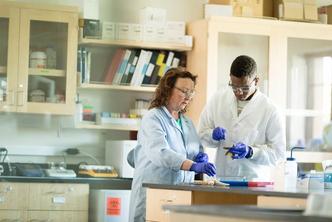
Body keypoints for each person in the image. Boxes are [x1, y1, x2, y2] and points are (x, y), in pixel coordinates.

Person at [129, 68, 216, 222]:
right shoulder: (153, 118)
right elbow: (160, 153)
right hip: (153, 194)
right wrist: (193, 165)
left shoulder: (187, 122)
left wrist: (200, 157)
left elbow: (194, 150)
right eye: (184, 91)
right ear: (168, 89)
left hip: (179, 195)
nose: (188, 97)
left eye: (191, 92)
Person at [198, 55, 286, 181]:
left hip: (253, 181)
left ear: (256, 80)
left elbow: (278, 155)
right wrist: (212, 134)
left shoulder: (270, 110)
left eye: (244, 88)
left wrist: (251, 152)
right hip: (222, 179)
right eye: (234, 86)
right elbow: (201, 135)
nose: (239, 92)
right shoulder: (218, 100)